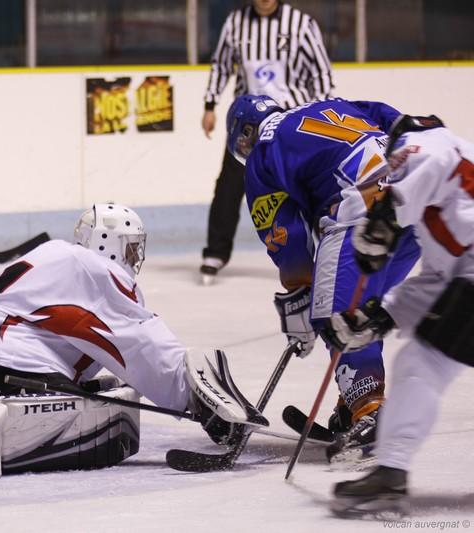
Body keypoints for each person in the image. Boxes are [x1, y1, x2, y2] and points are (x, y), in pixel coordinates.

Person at [0, 203, 268, 480]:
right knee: (100, 420)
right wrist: (198, 401)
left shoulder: (54, 257)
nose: (134, 258)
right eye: (130, 248)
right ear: (107, 244)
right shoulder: (98, 271)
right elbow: (141, 345)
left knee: (90, 389)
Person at [224, 94, 423, 462]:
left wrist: (300, 297)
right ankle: (352, 402)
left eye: (240, 143)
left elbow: (288, 240)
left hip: (360, 211)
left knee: (337, 317)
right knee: (362, 313)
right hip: (417, 198)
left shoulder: (262, 153)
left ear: (247, 131)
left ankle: (370, 411)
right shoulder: (331, 104)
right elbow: (391, 117)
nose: (244, 151)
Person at [328, 115, 474, 517]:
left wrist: (386, 218)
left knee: (421, 364)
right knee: (423, 360)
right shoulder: (450, 197)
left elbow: (428, 159)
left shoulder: (422, 144)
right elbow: (441, 278)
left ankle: (391, 473)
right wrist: (383, 316)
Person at [199, 0, 334, 284]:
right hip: (248, 126)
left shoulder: (302, 24)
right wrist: (210, 104)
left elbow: (321, 73)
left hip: (291, 123)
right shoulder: (236, 22)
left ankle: (325, 251)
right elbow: (221, 65)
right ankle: (215, 252)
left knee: (304, 187)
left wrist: (318, 114)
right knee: (229, 186)